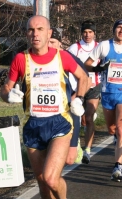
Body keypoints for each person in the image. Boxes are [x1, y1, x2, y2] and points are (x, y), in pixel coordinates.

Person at [1, 15, 90, 199]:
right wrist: (8, 95)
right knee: (41, 181)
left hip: (59, 123)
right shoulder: (21, 59)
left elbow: (84, 77)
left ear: (49, 33)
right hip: (33, 125)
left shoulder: (62, 57)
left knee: (51, 178)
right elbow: (5, 88)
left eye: (40, 29)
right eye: (31, 30)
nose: (35, 34)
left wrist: (78, 98)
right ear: (27, 34)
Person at [84, 19, 122, 182]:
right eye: (119, 27)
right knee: (112, 129)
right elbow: (87, 64)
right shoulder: (103, 46)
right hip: (108, 93)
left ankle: (118, 167)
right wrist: (98, 68)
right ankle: (115, 137)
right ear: (114, 30)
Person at [48, 27, 85, 165]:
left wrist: (77, 98)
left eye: (52, 42)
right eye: (47, 42)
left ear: (60, 44)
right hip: (49, 112)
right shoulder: (39, 59)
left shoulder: (68, 58)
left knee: (70, 159)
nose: (49, 45)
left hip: (69, 110)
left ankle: (76, 143)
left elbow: (87, 80)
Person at [68, 20, 101, 164]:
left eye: (90, 32)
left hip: (94, 86)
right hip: (78, 87)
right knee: (79, 118)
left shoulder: (100, 47)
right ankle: (74, 147)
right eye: (85, 32)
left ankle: (87, 150)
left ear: (94, 33)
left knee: (88, 118)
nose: (87, 35)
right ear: (82, 33)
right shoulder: (75, 48)